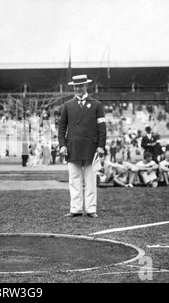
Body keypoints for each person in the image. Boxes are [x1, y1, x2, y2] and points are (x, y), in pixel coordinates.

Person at [58, 74, 107, 218]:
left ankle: (91, 209)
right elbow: (61, 128)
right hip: (72, 147)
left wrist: (101, 146)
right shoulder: (67, 105)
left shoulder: (96, 104)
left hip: (91, 148)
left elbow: (102, 127)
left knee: (90, 180)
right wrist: (62, 145)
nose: (78, 89)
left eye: (81, 86)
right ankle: (76, 209)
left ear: (86, 86)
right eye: (76, 86)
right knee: (74, 180)